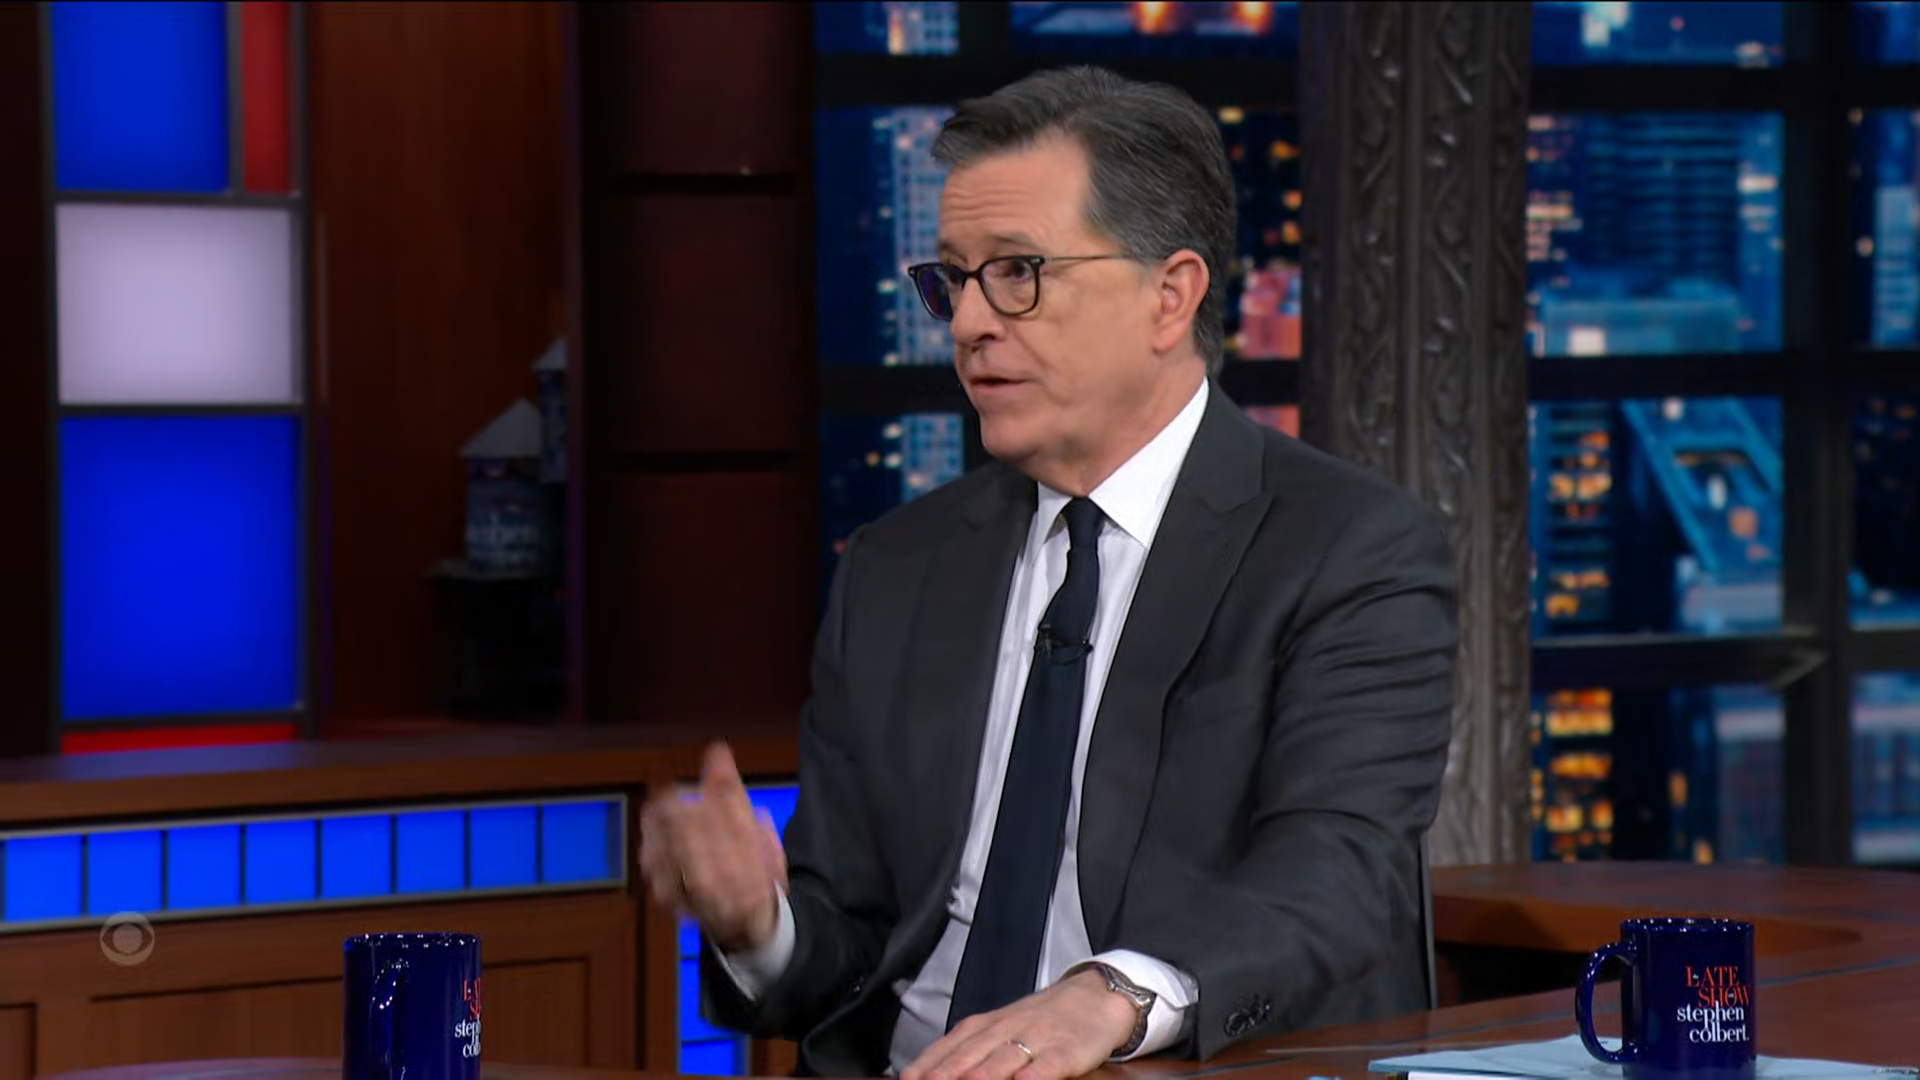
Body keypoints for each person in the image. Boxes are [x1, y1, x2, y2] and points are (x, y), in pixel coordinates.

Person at [639, 66, 1458, 1080]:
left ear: (1170, 296)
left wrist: (1109, 996)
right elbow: (852, 945)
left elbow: (1338, 875)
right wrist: (755, 923)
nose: (969, 323)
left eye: (1019, 273)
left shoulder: (1349, 550)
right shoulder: (898, 569)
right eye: (955, 279)